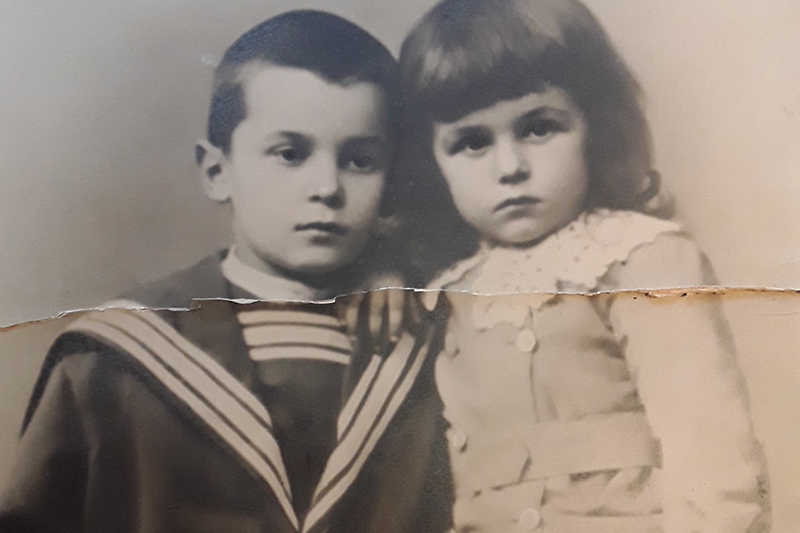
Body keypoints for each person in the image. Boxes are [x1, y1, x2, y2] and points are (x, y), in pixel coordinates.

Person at [0, 11, 451, 533]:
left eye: (360, 160)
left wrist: (393, 266)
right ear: (217, 171)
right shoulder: (112, 360)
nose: (327, 187)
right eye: (290, 154)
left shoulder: (431, 347)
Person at [398, 0, 769, 531]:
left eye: (539, 128)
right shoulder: (447, 293)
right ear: (432, 161)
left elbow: (713, 458)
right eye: (472, 142)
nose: (510, 167)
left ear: (594, 125)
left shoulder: (636, 257)